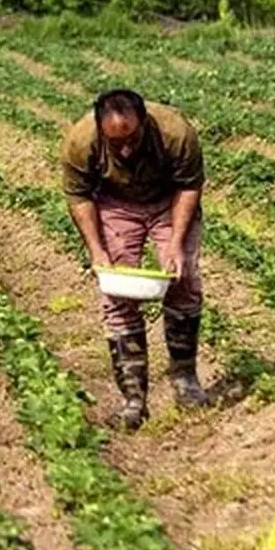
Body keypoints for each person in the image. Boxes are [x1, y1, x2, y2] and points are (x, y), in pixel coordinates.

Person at [59, 89, 209, 431]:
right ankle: (133, 399)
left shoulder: (175, 132)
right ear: (100, 129)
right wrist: (96, 250)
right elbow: (79, 197)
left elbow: (189, 186)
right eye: (115, 142)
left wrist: (175, 241)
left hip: (169, 201)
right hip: (116, 205)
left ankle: (185, 379)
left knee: (183, 280)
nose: (125, 148)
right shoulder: (81, 141)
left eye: (132, 138)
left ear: (144, 122)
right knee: (117, 293)